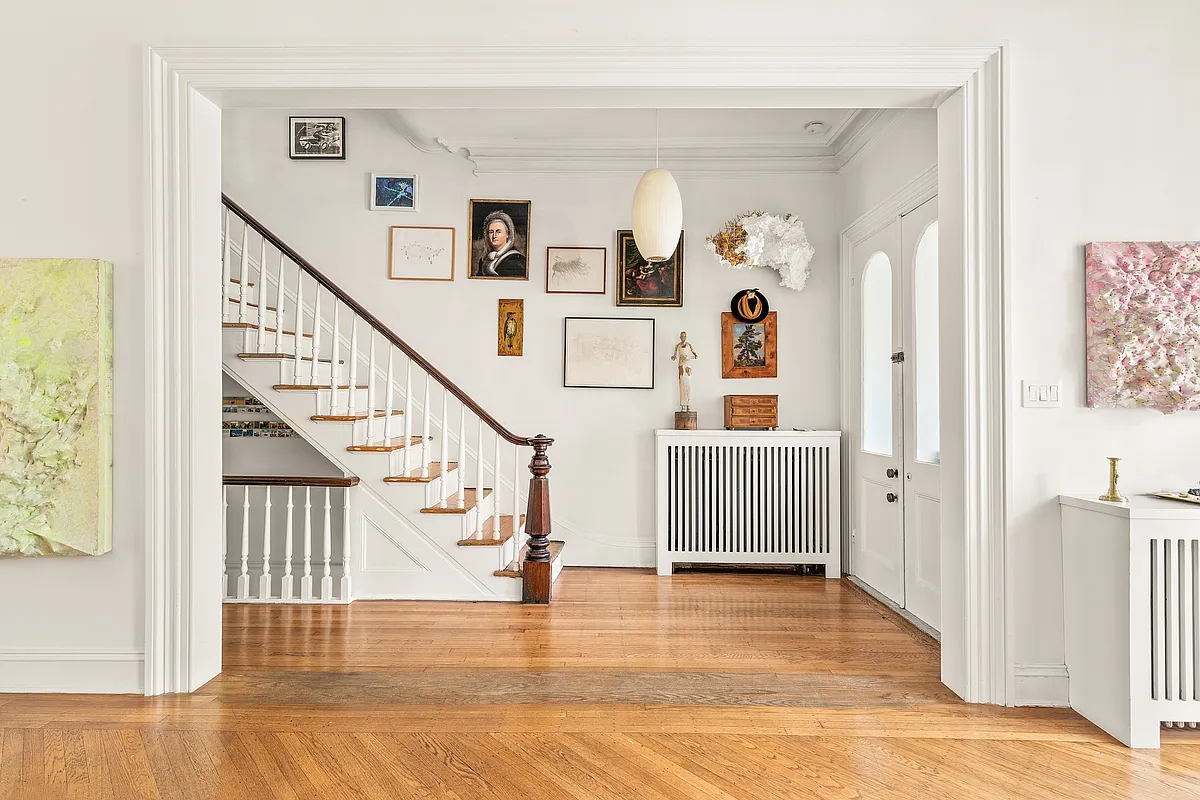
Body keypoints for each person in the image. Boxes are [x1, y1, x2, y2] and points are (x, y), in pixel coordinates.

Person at [476, 210, 527, 278]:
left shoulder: (516, 260)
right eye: (491, 232)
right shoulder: (485, 260)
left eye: (498, 232)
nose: (494, 236)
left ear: (508, 234)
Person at [671, 331, 698, 411]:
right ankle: (683, 404)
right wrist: (673, 357)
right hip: (681, 367)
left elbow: (696, 356)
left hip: (687, 368)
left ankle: (689, 404)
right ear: (680, 337)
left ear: (686, 337)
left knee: (688, 384)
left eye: (684, 336)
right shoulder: (677, 346)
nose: (683, 338)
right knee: (682, 385)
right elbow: (675, 356)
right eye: (682, 336)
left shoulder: (689, 346)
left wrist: (688, 357)